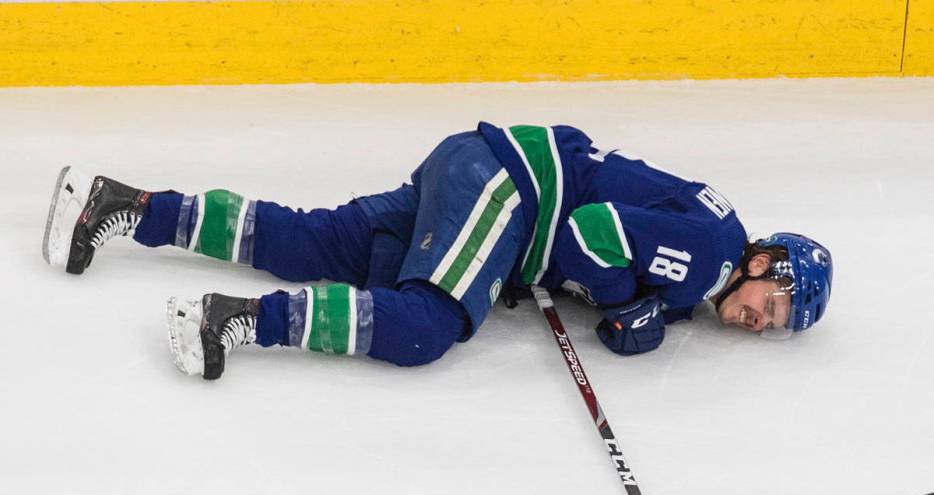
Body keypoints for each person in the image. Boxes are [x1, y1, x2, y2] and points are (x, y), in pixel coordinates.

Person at [42, 122, 833, 380]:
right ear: (763, 265)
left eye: (783, 322)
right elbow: (588, 235)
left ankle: (126, 206)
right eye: (779, 302)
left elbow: (598, 226)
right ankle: (233, 320)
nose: (767, 319)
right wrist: (629, 307)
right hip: (511, 190)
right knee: (427, 326)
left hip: (482, 164)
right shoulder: (710, 256)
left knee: (321, 238)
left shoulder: (711, 236)